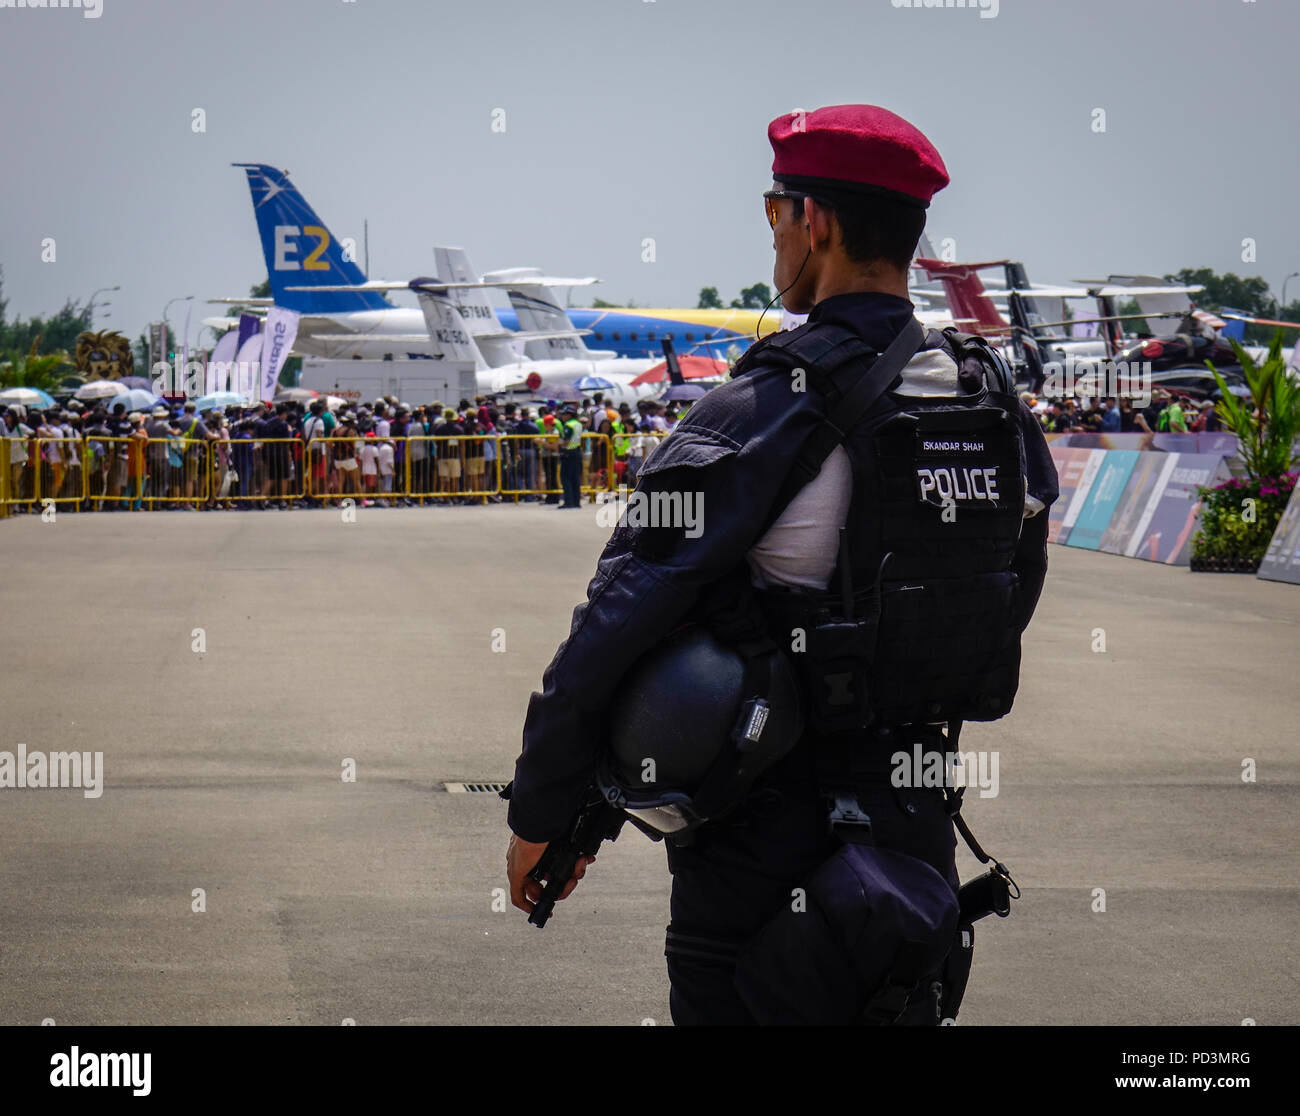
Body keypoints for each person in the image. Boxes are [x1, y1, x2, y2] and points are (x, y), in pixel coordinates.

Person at [504, 104, 1058, 1026]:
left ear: (819, 224)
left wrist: (542, 811)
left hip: (767, 855)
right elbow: (1011, 588)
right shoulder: (986, 397)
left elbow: (620, 614)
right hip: (915, 846)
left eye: (776, 215)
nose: (774, 240)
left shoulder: (765, 408)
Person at [557, 402, 584, 509]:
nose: (562, 416)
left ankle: (568, 502)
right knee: (575, 478)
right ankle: (576, 502)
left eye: (564, 414)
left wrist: (558, 443)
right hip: (577, 452)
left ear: (569, 415)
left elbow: (566, 441)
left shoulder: (568, 425)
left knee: (566, 478)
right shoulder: (578, 424)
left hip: (569, 453)